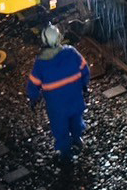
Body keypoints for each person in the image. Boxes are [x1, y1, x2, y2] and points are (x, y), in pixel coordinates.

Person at [25, 24, 91, 161]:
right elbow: (85, 71)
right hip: (75, 100)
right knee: (76, 121)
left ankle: (65, 153)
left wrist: (33, 98)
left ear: (44, 41)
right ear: (59, 37)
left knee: (60, 128)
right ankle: (77, 139)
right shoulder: (72, 53)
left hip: (57, 106)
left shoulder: (41, 63)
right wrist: (84, 86)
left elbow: (33, 84)